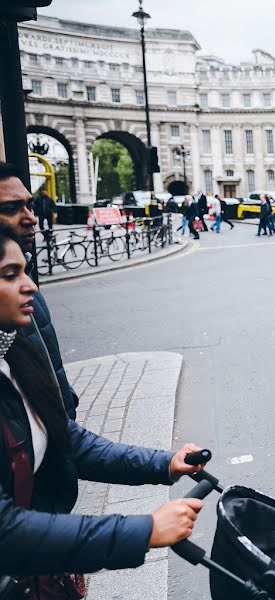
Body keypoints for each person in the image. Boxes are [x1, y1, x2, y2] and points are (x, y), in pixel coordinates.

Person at [0, 224, 207, 591]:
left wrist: (164, 463)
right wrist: (145, 530)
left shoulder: (15, 353)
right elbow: (6, 533)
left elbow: (68, 441)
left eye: (24, 271)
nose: (30, 285)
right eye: (9, 275)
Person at [0, 163, 80, 421]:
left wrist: (66, 397)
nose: (30, 218)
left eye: (29, 206)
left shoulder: (25, 274)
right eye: (11, 209)